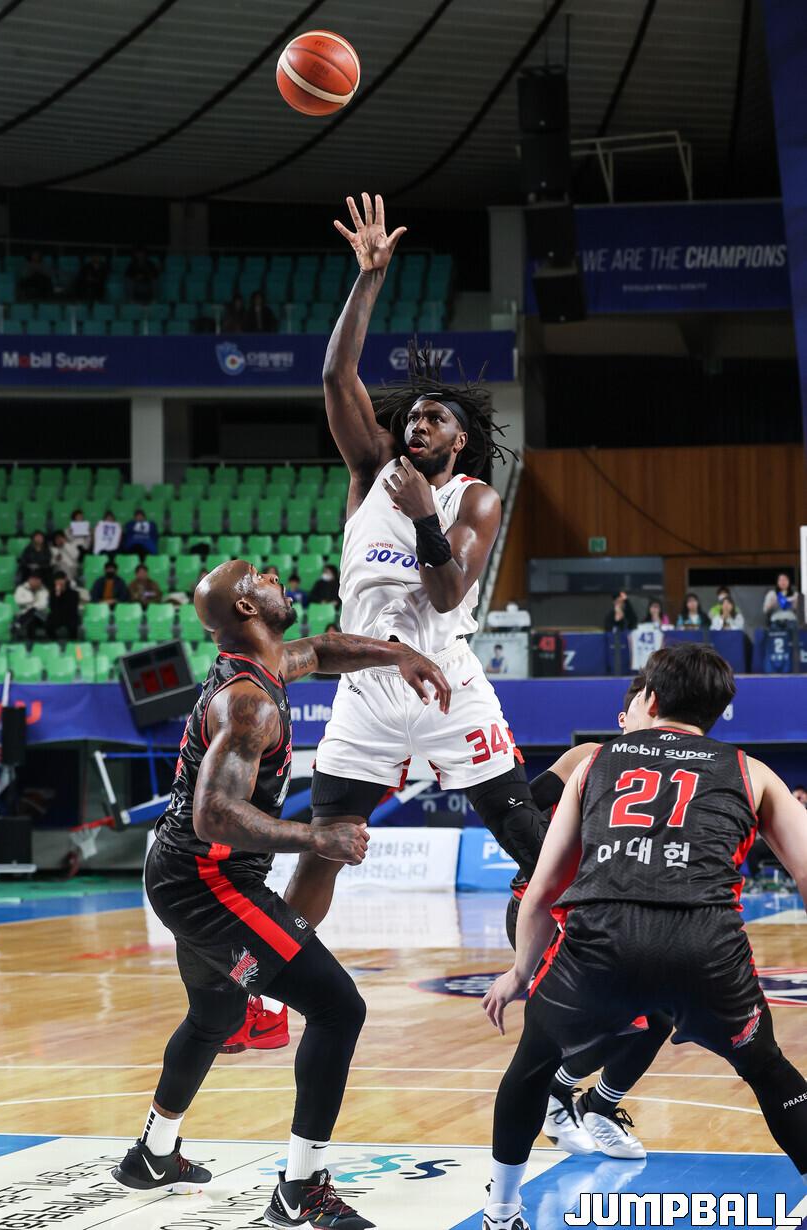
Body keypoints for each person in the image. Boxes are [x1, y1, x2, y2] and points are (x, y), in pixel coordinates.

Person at [111, 559, 450, 1230]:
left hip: (183, 875)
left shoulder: (265, 665)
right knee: (338, 1007)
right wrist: (316, 838)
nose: (273, 574)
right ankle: (301, 1190)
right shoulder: (248, 701)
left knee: (213, 1017)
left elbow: (323, 650)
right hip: (207, 883)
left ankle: (152, 1154)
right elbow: (214, 814)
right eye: (258, 575)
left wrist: (398, 654)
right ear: (246, 607)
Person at [279, 193, 535, 974]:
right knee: (324, 848)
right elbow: (336, 374)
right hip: (366, 690)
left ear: (461, 439)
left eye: (434, 419)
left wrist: (426, 516)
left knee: (526, 838)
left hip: (449, 687)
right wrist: (369, 278)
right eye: (413, 417)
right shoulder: (369, 471)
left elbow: (449, 592)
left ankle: (573, 961)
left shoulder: (474, 499)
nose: (418, 424)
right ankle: (266, 980)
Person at [482, 644, 807, 1227]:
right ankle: (598, 1106)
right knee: (769, 1071)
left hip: (600, 944)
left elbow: (545, 886)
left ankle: (501, 1210)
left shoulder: (593, 762)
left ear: (650, 699)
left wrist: (519, 973)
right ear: (718, 712)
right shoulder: (753, 771)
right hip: (706, 947)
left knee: (532, 1063)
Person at [503, 673, 670, 1161]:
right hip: (545, 911)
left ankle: (596, 1105)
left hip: (605, 918)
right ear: (623, 719)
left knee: (659, 1017)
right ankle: (555, 1095)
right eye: (645, 707)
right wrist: (551, 859)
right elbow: (520, 811)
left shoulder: (671, 780)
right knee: (622, 1021)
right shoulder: (589, 756)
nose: (654, 718)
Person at [13, 571, 49, 640]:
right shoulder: (21, 588)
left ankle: (18, 624)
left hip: (40, 615)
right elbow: (18, 600)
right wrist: (31, 601)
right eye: (33, 580)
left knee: (34, 611)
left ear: (40, 581)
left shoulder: (44, 590)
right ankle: (31, 642)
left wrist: (30, 606)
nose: (35, 582)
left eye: (37, 580)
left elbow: (44, 604)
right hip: (25, 615)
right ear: (29, 580)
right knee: (31, 620)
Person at [46, 571, 80, 640]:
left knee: (73, 624)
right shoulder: (52, 594)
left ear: (65, 580)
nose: (59, 582)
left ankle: (73, 642)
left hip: (70, 616)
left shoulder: (74, 593)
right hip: (57, 615)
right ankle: (54, 642)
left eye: (61, 579)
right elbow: (53, 608)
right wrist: (57, 595)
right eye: (57, 580)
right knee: (48, 623)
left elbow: (73, 608)